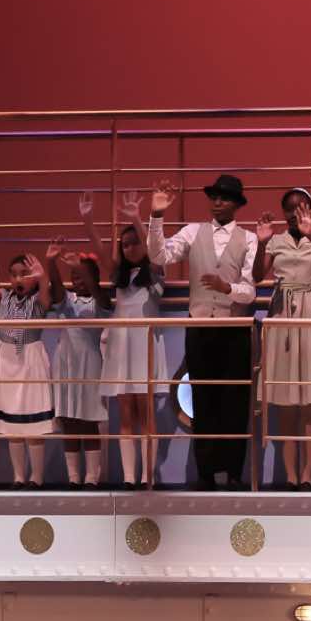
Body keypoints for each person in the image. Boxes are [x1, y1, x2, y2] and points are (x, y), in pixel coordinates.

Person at [146, 174, 259, 489]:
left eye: (224, 197)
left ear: (236, 204)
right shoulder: (193, 231)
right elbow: (159, 256)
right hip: (200, 327)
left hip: (234, 330)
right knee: (202, 399)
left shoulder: (249, 239)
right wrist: (156, 215)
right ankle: (206, 472)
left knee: (235, 401)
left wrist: (227, 288)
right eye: (214, 197)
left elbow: (250, 290)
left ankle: (234, 472)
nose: (217, 202)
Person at [255, 187, 311, 488]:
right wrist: (261, 243)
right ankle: (291, 474)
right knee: (285, 401)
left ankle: (307, 474)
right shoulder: (275, 240)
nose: (295, 213)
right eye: (290, 208)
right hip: (281, 314)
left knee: (310, 401)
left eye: (302, 207)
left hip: (310, 313)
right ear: (283, 212)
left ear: (310, 209)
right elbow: (256, 276)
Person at [0, 245, 62, 487]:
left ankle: (36, 478)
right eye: (14, 274)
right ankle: (19, 477)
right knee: (12, 424)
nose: (19, 279)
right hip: (5, 358)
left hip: (30, 358)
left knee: (33, 424)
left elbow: (46, 296)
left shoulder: (38, 300)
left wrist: (42, 278)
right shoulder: (3, 297)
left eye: (25, 274)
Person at [105, 192, 171, 487]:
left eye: (135, 243)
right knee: (125, 411)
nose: (130, 248)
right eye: (125, 244)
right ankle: (130, 477)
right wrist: (89, 222)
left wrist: (135, 218)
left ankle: (147, 475)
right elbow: (101, 252)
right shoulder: (119, 276)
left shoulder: (156, 271)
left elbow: (153, 250)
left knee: (146, 411)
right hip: (121, 344)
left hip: (144, 342)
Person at [49, 210, 108, 488]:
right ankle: (74, 477)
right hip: (65, 361)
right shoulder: (67, 299)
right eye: (74, 276)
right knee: (69, 419)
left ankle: (92, 477)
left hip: (90, 362)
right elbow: (56, 289)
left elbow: (100, 295)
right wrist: (51, 262)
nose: (78, 281)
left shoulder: (100, 300)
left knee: (89, 419)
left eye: (82, 276)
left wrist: (83, 267)